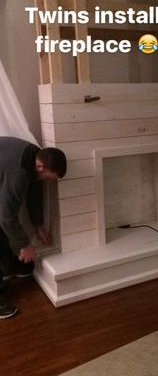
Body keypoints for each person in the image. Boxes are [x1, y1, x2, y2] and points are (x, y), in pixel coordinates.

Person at [0, 136, 67, 318]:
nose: (48, 182)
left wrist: (38, 225)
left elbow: (34, 194)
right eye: (48, 178)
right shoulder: (19, 174)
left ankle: (12, 267)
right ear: (40, 167)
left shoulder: (35, 156)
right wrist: (24, 245)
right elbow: (6, 217)